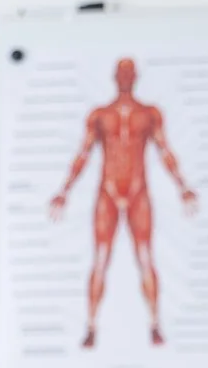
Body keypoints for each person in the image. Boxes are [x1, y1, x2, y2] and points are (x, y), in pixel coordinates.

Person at [49, 57, 199, 349]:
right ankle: (91, 325)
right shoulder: (100, 115)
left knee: (145, 257)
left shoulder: (149, 114)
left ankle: (155, 324)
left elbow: (164, 150)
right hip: (107, 190)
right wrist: (64, 190)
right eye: (122, 73)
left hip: (137, 191)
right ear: (115, 77)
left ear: (136, 77)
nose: (126, 78)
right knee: (101, 259)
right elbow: (83, 154)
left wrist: (183, 186)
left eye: (130, 73)